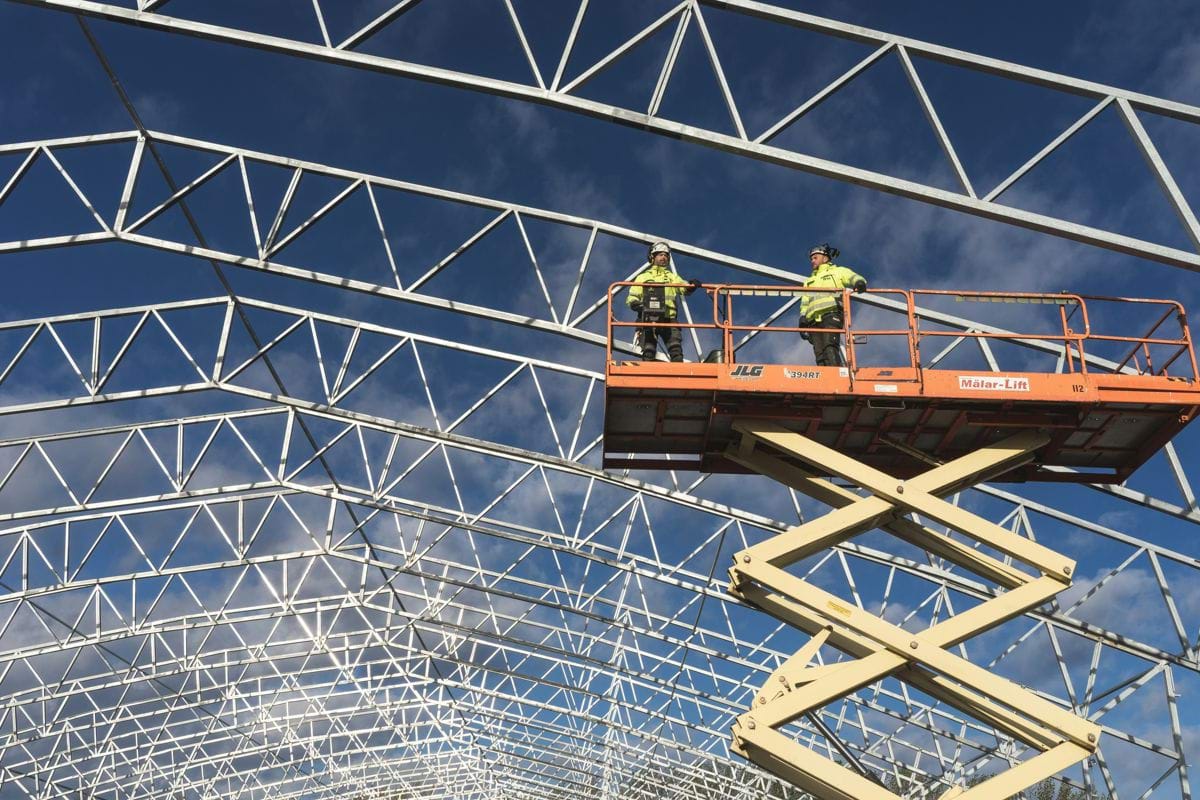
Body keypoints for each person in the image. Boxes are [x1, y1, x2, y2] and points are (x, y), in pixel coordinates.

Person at [626, 241, 700, 362]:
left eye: (666, 255)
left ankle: (678, 374)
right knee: (648, 349)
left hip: (669, 318)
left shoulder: (671, 277)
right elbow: (632, 296)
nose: (663, 257)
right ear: (652, 257)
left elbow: (682, 286)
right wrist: (636, 304)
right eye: (660, 254)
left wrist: (691, 285)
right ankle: (648, 372)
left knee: (675, 349)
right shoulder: (642, 277)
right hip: (648, 317)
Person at [798, 243, 867, 367]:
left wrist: (859, 282)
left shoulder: (837, 271)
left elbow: (852, 277)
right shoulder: (808, 281)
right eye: (811, 259)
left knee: (830, 345)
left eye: (815, 258)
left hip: (832, 314)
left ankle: (837, 374)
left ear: (825, 258)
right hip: (813, 320)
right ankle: (826, 382)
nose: (812, 261)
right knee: (819, 353)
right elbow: (805, 301)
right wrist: (803, 317)